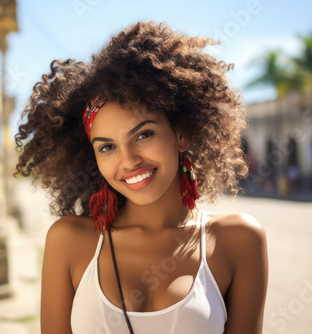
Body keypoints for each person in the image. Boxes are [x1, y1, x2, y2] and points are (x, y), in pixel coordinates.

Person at [14, 21, 268, 334]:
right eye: (107, 147)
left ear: (181, 134)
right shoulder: (69, 241)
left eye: (144, 134)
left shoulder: (238, 240)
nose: (129, 160)